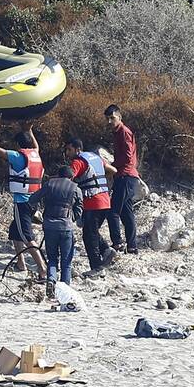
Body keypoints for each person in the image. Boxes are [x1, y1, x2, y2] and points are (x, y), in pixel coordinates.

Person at [0, 116, 47, 281]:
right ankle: (21, 264)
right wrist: (28, 129)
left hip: (22, 204)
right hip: (33, 202)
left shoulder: (17, 156)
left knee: (28, 237)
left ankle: (43, 270)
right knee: (15, 232)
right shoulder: (35, 154)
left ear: (19, 145)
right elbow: (36, 145)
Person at [26, 164, 83, 296]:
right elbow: (79, 210)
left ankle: (51, 279)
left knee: (52, 258)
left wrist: (37, 213)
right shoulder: (76, 188)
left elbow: (32, 199)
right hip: (66, 227)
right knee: (66, 261)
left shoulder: (50, 184)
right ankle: (65, 290)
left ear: (58, 175)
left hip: (49, 226)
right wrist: (71, 217)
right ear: (72, 177)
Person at [64, 137, 117, 272]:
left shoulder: (78, 162)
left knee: (89, 236)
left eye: (69, 150)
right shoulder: (95, 157)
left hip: (92, 202)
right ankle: (107, 250)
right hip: (105, 201)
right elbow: (113, 170)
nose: (67, 153)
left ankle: (97, 267)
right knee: (91, 231)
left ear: (78, 149)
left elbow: (67, 179)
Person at [104, 104, 140, 255]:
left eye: (112, 118)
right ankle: (132, 246)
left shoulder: (124, 132)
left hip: (125, 175)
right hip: (127, 176)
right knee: (126, 212)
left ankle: (117, 244)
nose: (109, 122)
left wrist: (111, 166)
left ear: (120, 117)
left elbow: (128, 158)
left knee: (113, 211)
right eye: (107, 119)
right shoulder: (118, 133)